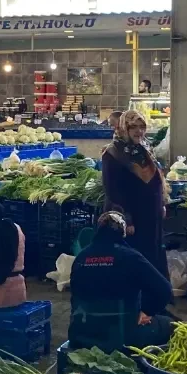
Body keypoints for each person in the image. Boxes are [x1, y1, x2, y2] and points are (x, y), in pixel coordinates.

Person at [68, 212, 173, 352]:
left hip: (81, 336)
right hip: (122, 338)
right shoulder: (130, 257)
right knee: (171, 325)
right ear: (123, 233)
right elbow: (165, 290)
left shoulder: (80, 258)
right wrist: (147, 311)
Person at [102, 110, 168, 278]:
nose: (139, 131)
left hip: (151, 213)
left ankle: (155, 299)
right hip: (132, 217)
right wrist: (127, 218)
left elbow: (156, 177)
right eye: (134, 127)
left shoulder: (144, 148)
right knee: (136, 257)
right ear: (124, 128)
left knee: (154, 254)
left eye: (142, 127)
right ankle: (138, 300)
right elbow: (112, 189)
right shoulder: (113, 153)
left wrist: (162, 203)